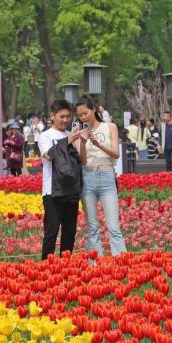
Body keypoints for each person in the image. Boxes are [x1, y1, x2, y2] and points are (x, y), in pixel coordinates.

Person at [72, 96, 126, 256]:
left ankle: (121, 263)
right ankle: (95, 265)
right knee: (92, 227)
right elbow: (83, 160)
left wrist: (98, 144)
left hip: (107, 175)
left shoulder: (110, 127)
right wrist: (82, 142)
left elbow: (116, 154)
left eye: (86, 113)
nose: (83, 117)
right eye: (80, 115)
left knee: (113, 226)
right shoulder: (78, 132)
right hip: (88, 177)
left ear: (94, 109)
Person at [39, 99, 84, 258]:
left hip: (71, 190)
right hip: (52, 191)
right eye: (62, 116)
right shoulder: (45, 136)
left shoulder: (70, 135)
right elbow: (49, 155)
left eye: (68, 117)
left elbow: (81, 161)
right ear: (52, 116)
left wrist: (82, 142)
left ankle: (65, 269)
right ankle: (46, 269)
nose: (65, 120)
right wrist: (68, 141)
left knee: (69, 233)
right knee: (51, 233)